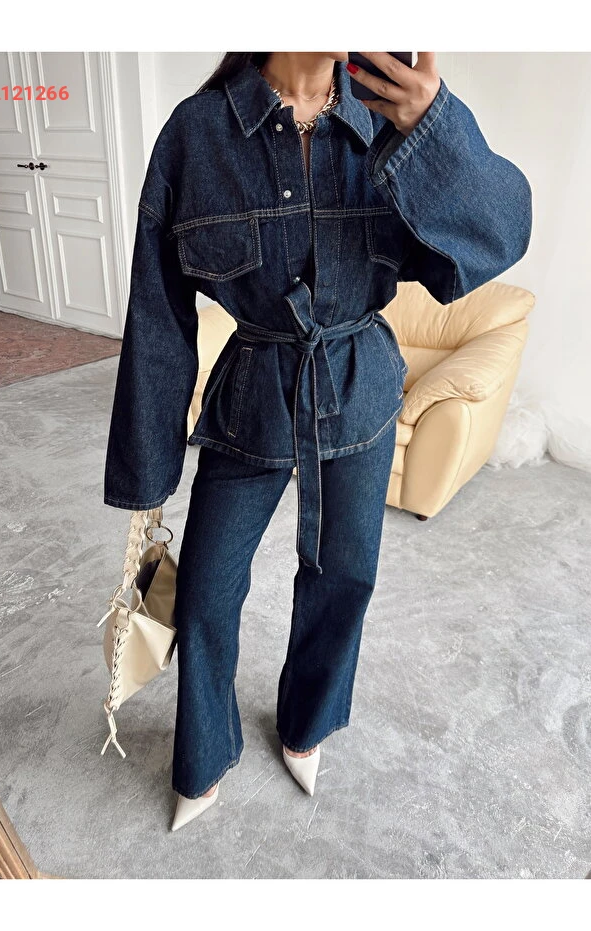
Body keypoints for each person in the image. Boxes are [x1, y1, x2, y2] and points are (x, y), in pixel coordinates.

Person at [103, 52, 532, 831]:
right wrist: (148, 472)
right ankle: (203, 754)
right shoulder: (198, 134)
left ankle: (306, 722)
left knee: (344, 577)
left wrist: (432, 129)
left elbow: (499, 235)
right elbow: (156, 311)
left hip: (360, 382)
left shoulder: (393, 120)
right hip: (253, 393)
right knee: (204, 591)